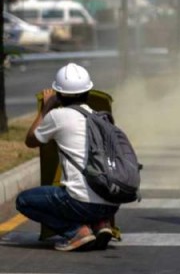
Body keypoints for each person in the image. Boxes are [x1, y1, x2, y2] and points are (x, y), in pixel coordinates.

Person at [16, 63, 119, 252]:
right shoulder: (99, 116)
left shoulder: (58, 116)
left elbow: (31, 140)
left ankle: (75, 232)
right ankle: (100, 224)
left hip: (81, 204)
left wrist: (45, 109)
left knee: (24, 201)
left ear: (59, 94)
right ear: (88, 91)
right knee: (86, 193)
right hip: (111, 203)